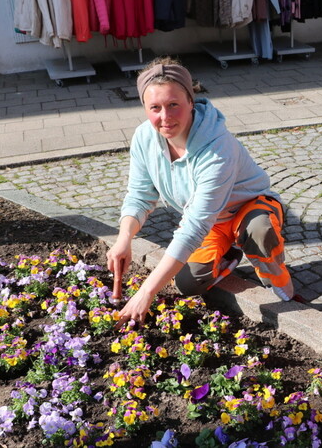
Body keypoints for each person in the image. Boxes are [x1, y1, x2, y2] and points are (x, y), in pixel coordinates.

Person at [108, 56, 297, 329]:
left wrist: (146, 292)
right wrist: (123, 238)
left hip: (249, 208)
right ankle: (230, 252)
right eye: (155, 108)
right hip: (213, 223)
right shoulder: (143, 138)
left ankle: (279, 278)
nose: (165, 117)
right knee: (187, 283)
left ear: (190, 101)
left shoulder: (217, 148)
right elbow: (139, 194)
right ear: (144, 107)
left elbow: (193, 226)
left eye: (174, 105)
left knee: (260, 230)